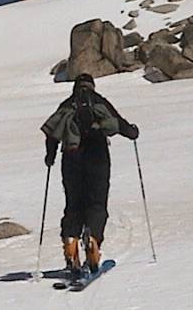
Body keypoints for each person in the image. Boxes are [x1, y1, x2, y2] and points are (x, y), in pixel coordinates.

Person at [41, 73, 138, 273]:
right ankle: (93, 238)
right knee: (96, 203)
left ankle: (70, 240)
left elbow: (52, 134)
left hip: (71, 158)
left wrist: (50, 156)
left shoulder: (67, 105)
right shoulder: (99, 101)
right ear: (92, 86)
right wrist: (133, 132)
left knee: (74, 204)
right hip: (98, 156)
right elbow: (119, 124)